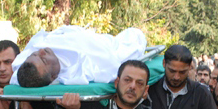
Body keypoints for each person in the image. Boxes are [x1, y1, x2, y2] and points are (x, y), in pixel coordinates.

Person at [10, 25, 147, 86]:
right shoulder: (79, 68)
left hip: (89, 34)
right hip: (106, 46)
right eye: (44, 60)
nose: (41, 51)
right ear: (53, 77)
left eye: (35, 54)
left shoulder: (26, 66)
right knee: (135, 36)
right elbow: (111, 64)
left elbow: (16, 75)